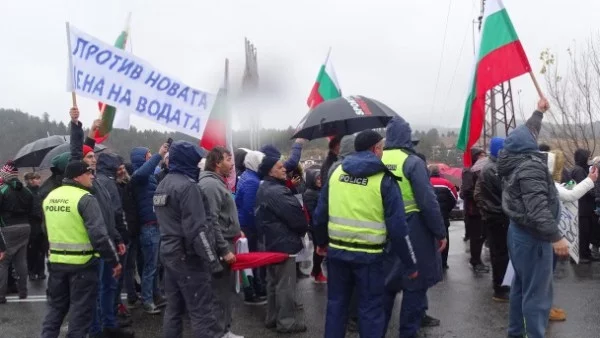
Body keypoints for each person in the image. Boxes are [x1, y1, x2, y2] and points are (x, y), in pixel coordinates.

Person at [314, 130, 418, 338]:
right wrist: (410, 263)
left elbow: (320, 213)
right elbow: (398, 229)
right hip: (370, 258)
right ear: (375, 149)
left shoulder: (336, 173)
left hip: (337, 253)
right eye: (382, 147)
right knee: (370, 310)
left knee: (336, 306)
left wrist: (321, 242)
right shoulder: (385, 180)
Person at [498, 98, 570, 338]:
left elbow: (527, 132)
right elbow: (538, 207)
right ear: (529, 145)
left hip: (518, 233)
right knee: (538, 296)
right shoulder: (530, 167)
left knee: (521, 287)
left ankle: (516, 333)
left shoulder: (513, 157)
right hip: (534, 237)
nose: (535, 136)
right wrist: (556, 237)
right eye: (532, 137)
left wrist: (538, 112)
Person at [381, 118, 447, 338]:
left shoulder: (377, 158)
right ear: (406, 137)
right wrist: (439, 231)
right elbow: (428, 202)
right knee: (414, 284)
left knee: (387, 284)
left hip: (384, 229)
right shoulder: (412, 162)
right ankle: (408, 333)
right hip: (413, 228)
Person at [40, 160, 122, 338]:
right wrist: (114, 261)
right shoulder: (85, 198)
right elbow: (99, 235)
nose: (92, 176)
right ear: (77, 176)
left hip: (56, 263)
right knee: (80, 314)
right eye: (88, 173)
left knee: (55, 310)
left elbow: (45, 229)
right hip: (82, 265)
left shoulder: (50, 197)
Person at [68, 108, 131, 337]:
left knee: (109, 287)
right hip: (91, 247)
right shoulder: (80, 185)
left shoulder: (101, 185)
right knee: (94, 291)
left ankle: (109, 325)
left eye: (94, 156)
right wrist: (82, 130)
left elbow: (110, 214)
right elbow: (76, 152)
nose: (93, 159)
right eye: (90, 156)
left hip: (108, 243)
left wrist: (117, 238)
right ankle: (95, 331)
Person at [153, 140, 221, 338]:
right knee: (202, 312)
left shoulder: (163, 184)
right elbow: (197, 230)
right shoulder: (188, 187)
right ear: (188, 161)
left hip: (168, 253)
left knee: (173, 310)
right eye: (196, 160)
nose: (199, 164)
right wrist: (212, 261)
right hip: (188, 257)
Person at [255, 149, 309, 333]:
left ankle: (272, 317)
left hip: (270, 241)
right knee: (285, 285)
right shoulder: (277, 191)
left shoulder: (265, 186)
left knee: (272, 283)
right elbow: (297, 219)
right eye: (280, 166)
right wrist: (304, 227)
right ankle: (286, 322)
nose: (284, 168)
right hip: (282, 243)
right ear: (271, 171)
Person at [546, 149, 598, 322]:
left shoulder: (541, 180)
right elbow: (571, 193)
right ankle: (540, 311)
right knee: (541, 274)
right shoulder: (546, 182)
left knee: (541, 274)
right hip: (544, 234)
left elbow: (566, 190)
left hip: (538, 235)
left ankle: (542, 307)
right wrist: (590, 182)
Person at [198, 146, 243, 338]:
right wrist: (224, 249)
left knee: (225, 291)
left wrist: (235, 227)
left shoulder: (217, 182)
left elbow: (222, 215)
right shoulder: (210, 185)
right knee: (219, 292)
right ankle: (218, 333)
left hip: (226, 241)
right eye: (228, 159)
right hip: (220, 246)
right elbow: (211, 221)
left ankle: (224, 330)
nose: (232, 163)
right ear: (217, 163)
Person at [130, 141, 169, 314]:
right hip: (148, 227)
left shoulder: (150, 176)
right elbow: (144, 171)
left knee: (155, 264)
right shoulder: (139, 175)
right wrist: (159, 155)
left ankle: (156, 294)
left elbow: (153, 198)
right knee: (149, 267)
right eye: (148, 154)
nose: (151, 155)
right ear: (142, 158)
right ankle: (147, 300)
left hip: (155, 224)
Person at [474, 137, 510, 302]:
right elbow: (507, 192)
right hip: (498, 216)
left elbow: (478, 194)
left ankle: (503, 284)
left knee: (501, 253)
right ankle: (500, 289)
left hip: (494, 215)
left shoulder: (491, 167)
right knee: (500, 254)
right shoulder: (494, 169)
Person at [0, 161, 38, 303]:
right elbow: (32, 209)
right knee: (21, 260)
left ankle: (1, 295)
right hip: (25, 227)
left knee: (3, 262)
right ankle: (23, 291)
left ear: (5, 175)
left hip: (7, 228)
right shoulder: (27, 191)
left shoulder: (2, 189)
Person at [235, 149, 267, 305]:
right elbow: (250, 208)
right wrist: (259, 225)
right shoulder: (252, 181)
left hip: (245, 224)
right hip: (249, 226)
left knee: (249, 259)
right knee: (251, 259)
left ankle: (255, 288)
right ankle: (252, 291)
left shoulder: (247, 176)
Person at [461, 147, 490, 273]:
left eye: (484, 155)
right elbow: (466, 191)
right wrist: (481, 194)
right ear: (475, 157)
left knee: (482, 236)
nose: (483, 158)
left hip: (482, 209)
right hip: (474, 211)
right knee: (476, 237)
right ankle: (475, 261)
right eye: (480, 156)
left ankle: (477, 260)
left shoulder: (481, 171)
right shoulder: (469, 171)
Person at [571, 148, 598, 263]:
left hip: (583, 207)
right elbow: (585, 188)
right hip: (583, 208)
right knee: (583, 233)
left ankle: (586, 253)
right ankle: (582, 255)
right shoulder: (579, 171)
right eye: (587, 157)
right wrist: (594, 193)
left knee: (586, 232)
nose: (589, 160)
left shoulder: (578, 169)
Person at [429, 165, 457, 269]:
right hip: (443, 216)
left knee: (429, 239)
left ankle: (431, 263)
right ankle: (443, 263)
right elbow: (454, 198)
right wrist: (447, 210)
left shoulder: (425, 182)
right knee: (444, 238)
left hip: (429, 216)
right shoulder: (447, 184)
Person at [303, 167, 325, 283]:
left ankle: (316, 271)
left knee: (320, 251)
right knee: (319, 251)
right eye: (317, 178)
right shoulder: (310, 193)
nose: (320, 180)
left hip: (319, 224)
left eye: (321, 178)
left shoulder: (318, 191)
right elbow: (313, 213)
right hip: (316, 226)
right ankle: (317, 273)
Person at [25, 172, 46, 281]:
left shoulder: (40, 191)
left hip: (41, 224)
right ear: (30, 180)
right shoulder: (26, 192)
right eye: (36, 179)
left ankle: (41, 271)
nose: (38, 180)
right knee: (31, 251)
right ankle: (32, 271)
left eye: (38, 178)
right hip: (31, 223)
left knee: (41, 250)